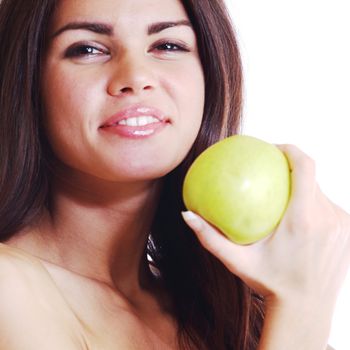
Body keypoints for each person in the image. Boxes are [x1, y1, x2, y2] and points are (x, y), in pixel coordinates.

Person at [0, 0, 348, 349]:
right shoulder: (9, 289)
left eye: (167, 45)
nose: (136, 77)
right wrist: (303, 308)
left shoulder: (228, 308)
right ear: (28, 79)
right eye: (88, 49)